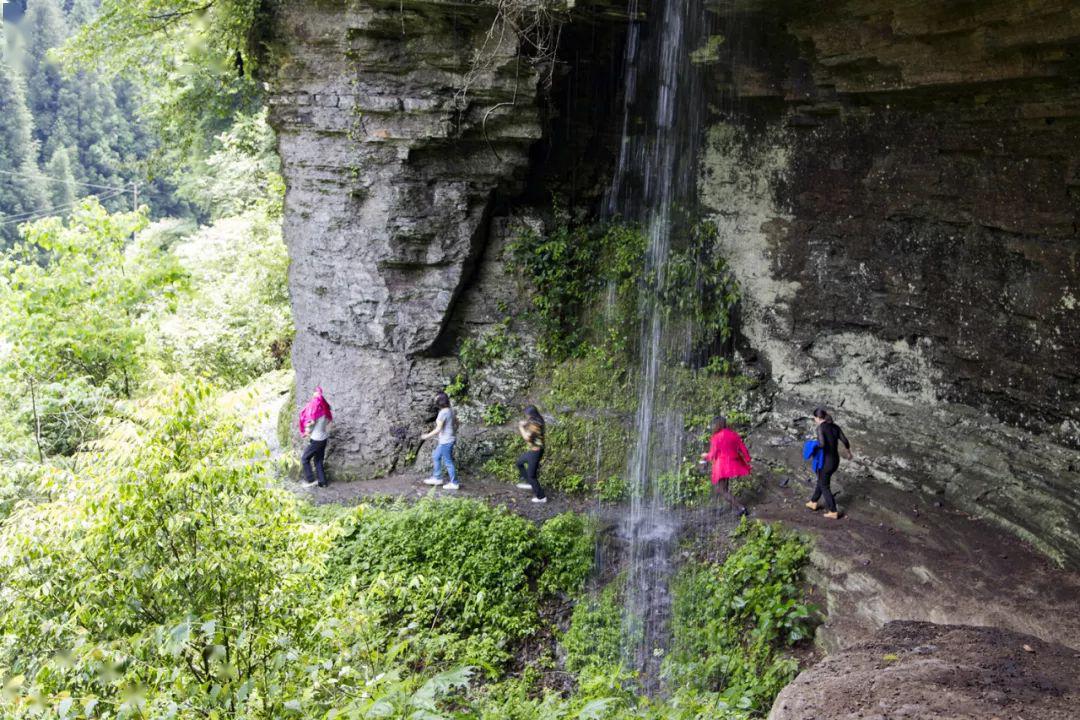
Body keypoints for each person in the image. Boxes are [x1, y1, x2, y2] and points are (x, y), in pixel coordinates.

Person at [806, 407, 852, 519]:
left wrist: (812, 445)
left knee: (824, 485)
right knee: (822, 480)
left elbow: (821, 444)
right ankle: (813, 502)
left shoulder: (820, 428)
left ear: (818, 418)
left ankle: (833, 511)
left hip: (826, 461)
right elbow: (845, 440)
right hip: (835, 460)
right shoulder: (835, 427)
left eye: (815, 418)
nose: (815, 420)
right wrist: (848, 452)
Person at [700, 416, 750, 517]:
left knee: (721, 490)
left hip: (722, 465)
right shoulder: (733, 434)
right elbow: (743, 448)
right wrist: (748, 460)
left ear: (717, 425)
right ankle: (735, 507)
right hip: (732, 464)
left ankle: (741, 507)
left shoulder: (716, 437)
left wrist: (705, 456)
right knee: (724, 488)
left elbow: (712, 455)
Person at [422, 392, 459, 490]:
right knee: (436, 456)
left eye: (436, 399)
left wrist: (427, 436)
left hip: (446, 441)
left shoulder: (443, 413)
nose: (434, 401)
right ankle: (437, 477)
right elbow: (457, 423)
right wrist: (452, 433)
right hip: (448, 439)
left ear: (440, 402)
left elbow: (438, 429)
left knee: (448, 462)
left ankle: (454, 483)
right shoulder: (451, 410)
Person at [298, 386, 332, 487]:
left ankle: (311, 480)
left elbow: (310, 424)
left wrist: (306, 432)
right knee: (318, 460)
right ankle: (323, 483)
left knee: (305, 459)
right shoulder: (326, 412)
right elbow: (327, 422)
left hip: (316, 440)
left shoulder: (315, 413)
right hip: (323, 439)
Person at [514, 405, 547, 503]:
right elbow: (530, 425)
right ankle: (530, 483)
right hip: (534, 450)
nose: (526, 417)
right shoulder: (537, 420)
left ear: (531, 415)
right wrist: (526, 424)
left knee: (532, 475)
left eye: (527, 415)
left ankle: (541, 497)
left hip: (536, 452)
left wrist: (521, 427)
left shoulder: (535, 425)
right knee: (519, 463)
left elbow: (527, 438)